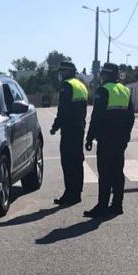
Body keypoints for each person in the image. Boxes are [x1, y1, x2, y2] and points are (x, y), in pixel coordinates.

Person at [84, 63, 135, 218]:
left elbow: (97, 116)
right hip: (120, 140)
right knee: (117, 173)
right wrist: (126, 137)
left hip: (106, 139)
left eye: (102, 75)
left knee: (105, 174)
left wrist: (89, 137)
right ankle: (117, 205)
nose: (101, 77)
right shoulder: (125, 90)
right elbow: (131, 117)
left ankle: (102, 206)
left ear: (106, 75)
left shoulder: (104, 90)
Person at [50, 61, 89, 206]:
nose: (60, 74)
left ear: (68, 71)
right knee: (77, 162)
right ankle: (77, 193)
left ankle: (69, 194)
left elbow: (63, 110)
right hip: (79, 128)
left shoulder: (67, 86)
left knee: (68, 162)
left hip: (69, 130)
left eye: (62, 72)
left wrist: (55, 126)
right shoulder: (80, 85)